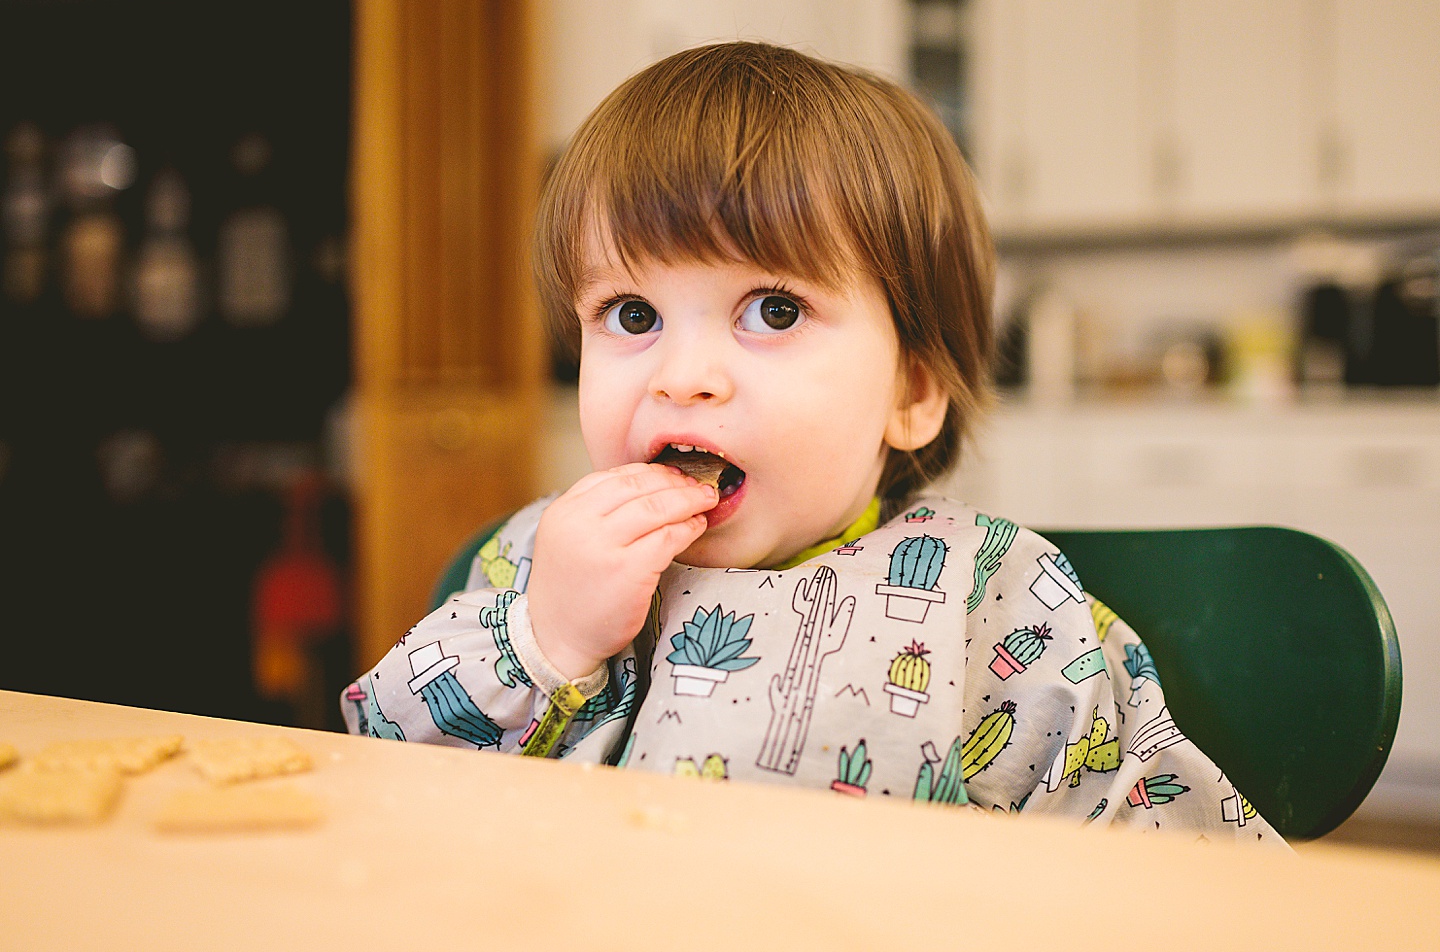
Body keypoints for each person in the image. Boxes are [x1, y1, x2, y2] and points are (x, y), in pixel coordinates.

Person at [341, 41, 1283, 843]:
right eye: (631, 313)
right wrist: (542, 639)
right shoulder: (534, 563)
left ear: (912, 390)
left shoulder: (992, 599)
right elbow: (374, 790)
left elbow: (1175, 865)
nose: (682, 375)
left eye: (774, 309)